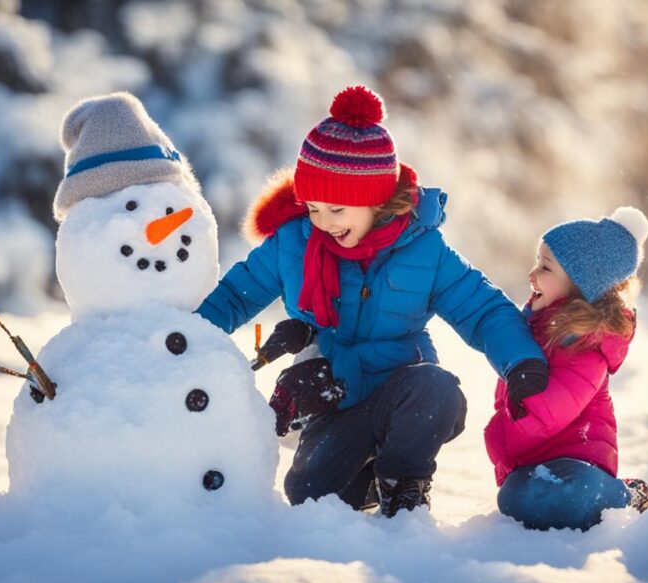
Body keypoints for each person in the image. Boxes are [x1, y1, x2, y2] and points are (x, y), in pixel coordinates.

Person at [195, 85, 548, 517]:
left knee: (436, 390)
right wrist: (185, 336)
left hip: (404, 393)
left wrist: (520, 361)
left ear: (375, 199)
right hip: (334, 397)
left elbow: (483, 308)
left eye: (338, 210)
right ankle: (367, 476)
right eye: (313, 208)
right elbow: (235, 295)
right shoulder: (295, 241)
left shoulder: (424, 250)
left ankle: (404, 479)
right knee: (310, 494)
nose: (323, 223)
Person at [483, 206, 648, 531]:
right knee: (514, 498)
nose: (532, 275)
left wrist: (498, 434)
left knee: (564, 495)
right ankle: (557, 498)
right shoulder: (533, 327)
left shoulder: (588, 345)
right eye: (537, 262)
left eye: (546, 267)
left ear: (578, 285)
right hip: (535, 461)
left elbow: (544, 415)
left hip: (578, 465)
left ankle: (626, 495)